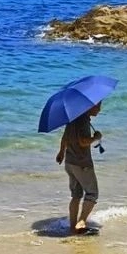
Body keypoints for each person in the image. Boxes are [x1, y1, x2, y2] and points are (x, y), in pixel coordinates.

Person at [56, 100, 102, 235]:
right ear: (91, 106)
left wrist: (61, 152)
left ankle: (72, 227)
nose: (99, 109)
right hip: (82, 164)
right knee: (92, 194)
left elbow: (65, 137)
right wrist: (95, 137)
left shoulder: (73, 117)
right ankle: (81, 222)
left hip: (70, 162)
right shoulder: (83, 121)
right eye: (98, 106)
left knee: (76, 195)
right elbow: (83, 141)